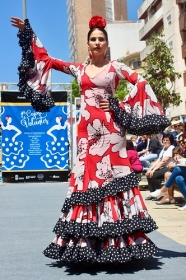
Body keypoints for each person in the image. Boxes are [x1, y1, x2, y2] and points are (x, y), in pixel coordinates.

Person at [11, 15, 170, 264]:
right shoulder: (79, 69)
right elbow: (48, 61)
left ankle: (119, 240)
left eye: (101, 39)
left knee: (114, 180)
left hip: (112, 131)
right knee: (87, 182)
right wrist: (29, 33)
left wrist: (119, 106)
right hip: (87, 133)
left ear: (107, 44)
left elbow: (141, 82)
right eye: (93, 39)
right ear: (88, 44)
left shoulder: (117, 67)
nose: (97, 43)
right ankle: (87, 240)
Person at [145, 133, 175, 200]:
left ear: (171, 141)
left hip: (169, 168)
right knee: (148, 174)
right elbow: (159, 160)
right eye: (164, 140)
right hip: (163, 167)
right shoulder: (164, 149)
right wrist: (150, 169)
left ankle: (160, 193)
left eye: (167, 140)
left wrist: (154, 170)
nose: (165, 141)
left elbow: (164, 161)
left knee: (154, 175)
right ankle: (152, 193)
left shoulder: (171, 148)